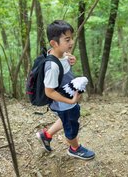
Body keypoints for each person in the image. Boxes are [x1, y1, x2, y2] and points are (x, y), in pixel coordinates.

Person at [36, 20, 95, 160]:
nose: (72, 42)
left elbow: (63, 69)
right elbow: (49, 92)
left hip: (68, 100)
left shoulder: (62, 54)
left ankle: (46, 135)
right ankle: (74, 148)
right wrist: (71, 100)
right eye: (67, 39)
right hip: (65, 102)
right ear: (53, 43)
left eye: (71, 38)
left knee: (66, 118)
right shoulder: (52, 66)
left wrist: (70, 59)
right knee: (71, 124)